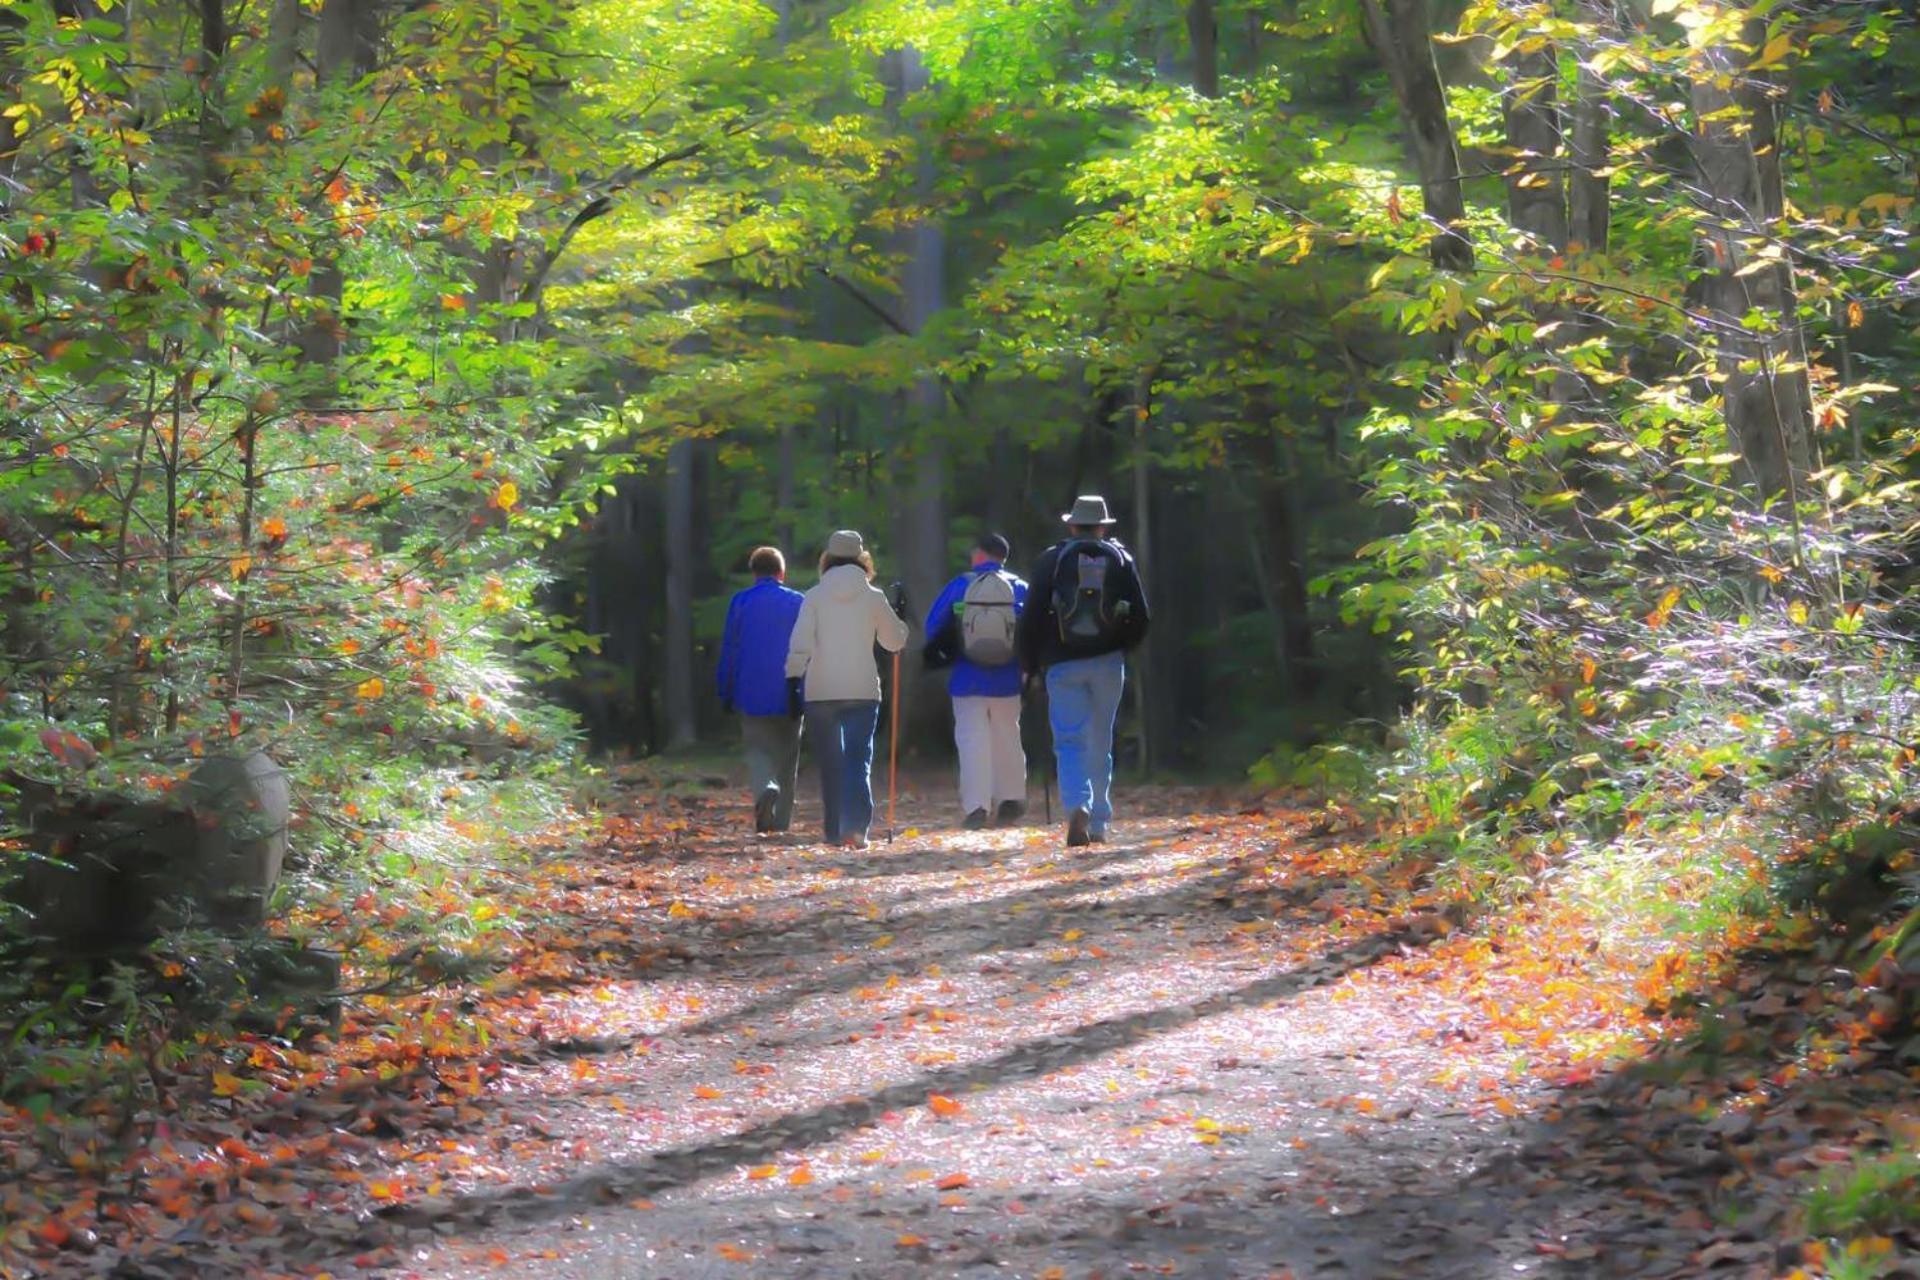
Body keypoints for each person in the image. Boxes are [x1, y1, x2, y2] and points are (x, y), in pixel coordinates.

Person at [1016, 495, 1151, 848]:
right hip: (1108, 663)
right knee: (1101, 741)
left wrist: (1029, 666)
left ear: (1072, 525)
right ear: (1104, 526)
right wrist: (1121, 646)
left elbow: (1030, 619)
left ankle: (1078, 804)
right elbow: (1141, 616)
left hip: (1062, 663)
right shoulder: (1121, 559)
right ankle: (1100, 824)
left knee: (1069, 740)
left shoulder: (1051, 561)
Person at [785, 530, 910, 848]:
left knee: (831, 763)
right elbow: (894, 642)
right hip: (862, 690)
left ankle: (833, 830)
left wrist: (792, 678)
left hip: (820, 691)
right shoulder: (874, 596)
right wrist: (901, 619)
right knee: (858, 760)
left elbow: (800, 642)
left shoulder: (813, 596)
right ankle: (855, 829)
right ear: (862, 559)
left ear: (827, 558)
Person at [924, 533, 1029, 830]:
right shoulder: (1019, 587)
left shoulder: (961, 585)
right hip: (1008, 678)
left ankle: (977, 807)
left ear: (980, 555)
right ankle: (1011, 799)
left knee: (972, 741)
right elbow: (1035, 630)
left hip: (966, 678)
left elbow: (933, 626)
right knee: (1008, 735)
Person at [716, 546, 806, 834]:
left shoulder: (740, 602)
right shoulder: (798, 602)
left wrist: (725, 691)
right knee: (788, 756)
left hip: (750, 691)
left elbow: (730, 650)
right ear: (782, 573)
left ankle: (765, 788)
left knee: (758, 750)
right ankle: (781, 824)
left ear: (754, 573)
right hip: (790, 691)